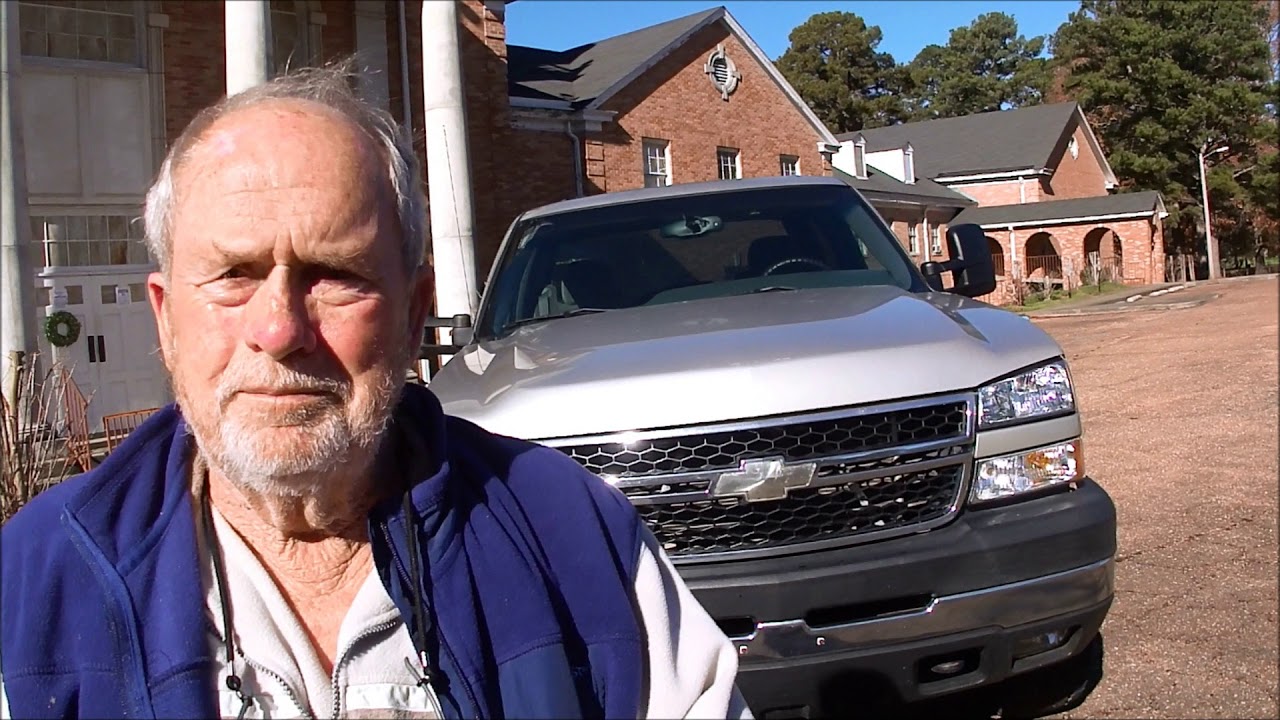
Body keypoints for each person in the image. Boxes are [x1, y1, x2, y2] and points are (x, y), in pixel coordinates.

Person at [0, 60, 751, 720]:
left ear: (415, 310)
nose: (280, 328)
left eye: (337, 276)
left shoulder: (571, 534)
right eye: (234, 275)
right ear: (165, 317)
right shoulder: (36, 582)